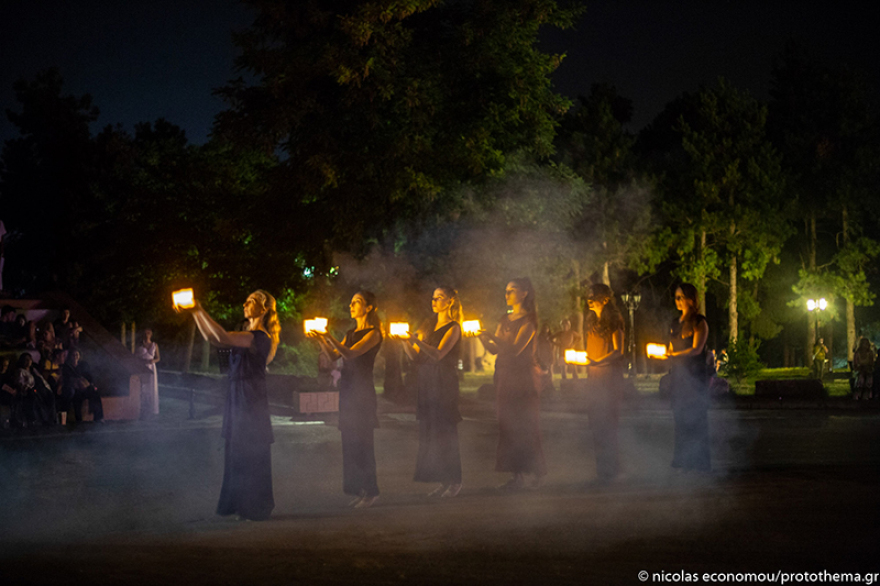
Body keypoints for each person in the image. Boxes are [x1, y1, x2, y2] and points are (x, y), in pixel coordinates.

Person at [187, 290, 280, 521]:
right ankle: (242, 504)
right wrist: (193, 312)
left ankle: (256, 506)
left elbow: (222, 336)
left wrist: (199, 309)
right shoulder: (247, 334)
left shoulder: (259, 337)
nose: (244, 303)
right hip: (238, 394)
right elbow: (213, 339)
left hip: (251, 397)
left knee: (250, 449)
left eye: (251, 301)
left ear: (263, 309)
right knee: (238, 451)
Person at [309, 291, 383, 508]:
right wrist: (322, 339)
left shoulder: (374, 333)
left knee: (363, 443)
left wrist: (329, 335)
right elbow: (334, 357)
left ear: (369, 307)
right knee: (350, 442)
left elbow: (350, 354)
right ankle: (360, 489)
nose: (351, 306)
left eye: (357, 302)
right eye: (350, 302)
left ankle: (371, 492)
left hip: (362, 392)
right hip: (349, 389)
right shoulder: (351, 332)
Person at [479, 278, 547, 489]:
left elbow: (515, 349)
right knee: (507, 423)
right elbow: (495, 350)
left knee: (525, 423)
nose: (507, 294)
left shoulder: (530, 320)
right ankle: (516, 475)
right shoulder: (504, 318)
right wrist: (481, 337)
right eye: (506, 290)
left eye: (512, 290)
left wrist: (492, 335)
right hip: (505, 375)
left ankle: (536, 470)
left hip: (524, 377)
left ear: (525, 293)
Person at [398, 286, 463, 498]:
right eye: (433, 297)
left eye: (439, 298)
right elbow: (415, 358)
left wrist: (417, 341)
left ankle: (454, 480)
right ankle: (442, 480)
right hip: (426, 381)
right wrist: (406, 342)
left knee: (445, 430)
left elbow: (438, 354)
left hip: (444, 381)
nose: (434, 301)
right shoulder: (428, 325)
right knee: (430, 432)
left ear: (450, 301)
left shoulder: (453, 328)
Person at [652, 284, 711, 472]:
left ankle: (699, 462)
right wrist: (661, 354)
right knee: (680, 417)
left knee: (696, 418)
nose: (677, 301)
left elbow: (697, 349)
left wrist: (674, 356)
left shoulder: (699, 322)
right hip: (679, 376)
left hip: (695, 377)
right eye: (676, 297)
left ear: (691, 300)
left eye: (681, 297)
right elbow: (670, 349)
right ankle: (683, 460)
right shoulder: (674, 324)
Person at [583, 283, 625, 484]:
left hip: (609, 379)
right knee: (597, 425)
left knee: (608, 424)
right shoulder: (592, 320)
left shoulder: (614, 320)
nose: (589, 299)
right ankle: (602, 471)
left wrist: (598, 361)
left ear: (605, 299)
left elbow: (619, 351)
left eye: (593, 296)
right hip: (594, 379)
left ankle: (612, 471)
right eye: (588, 295)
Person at [59, 349, 104, 423]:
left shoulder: (83, 364)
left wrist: (87, 383)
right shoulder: (67, 367)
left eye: (77, 355)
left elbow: (89, 377)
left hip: (85, 388)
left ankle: (98, 417)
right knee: (76, 399)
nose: (75, 357)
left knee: (95, 394)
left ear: (79, 356)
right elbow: (67, 379)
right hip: (75, 389)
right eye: (73, 355)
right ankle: (79, 421)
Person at [136, 328, 161, 417]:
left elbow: (158, 358)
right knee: (143, 387)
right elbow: (136, 357)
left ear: (151, 334)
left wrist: (153, 361)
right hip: (143, 366)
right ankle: (142, 408)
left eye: (149, 333)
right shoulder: (140, 345)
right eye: (146, 333)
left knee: (151, 387)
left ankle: (151, 408)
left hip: (151, 366)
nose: (147, 335)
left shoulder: (154, 345)